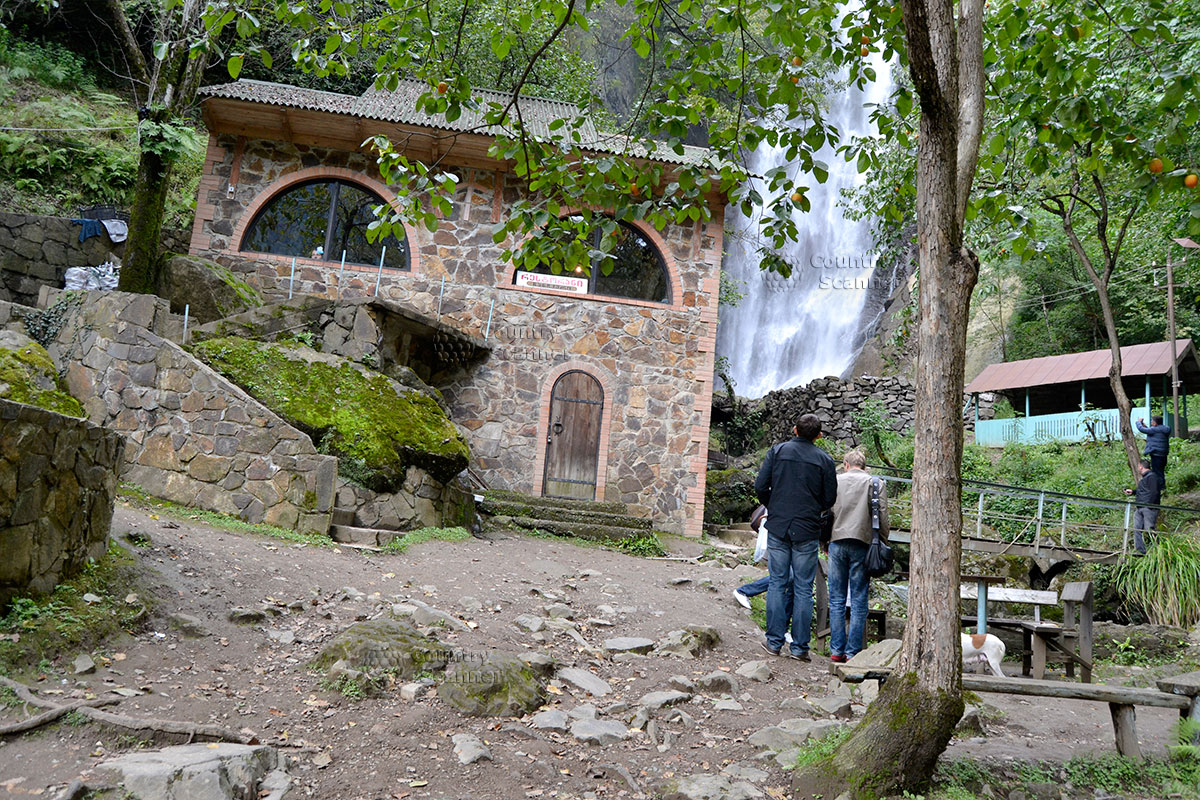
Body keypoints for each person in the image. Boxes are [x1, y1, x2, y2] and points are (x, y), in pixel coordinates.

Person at [754, 413, 837, 660]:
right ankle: (800, 648)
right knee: (803, 588)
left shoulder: (777, 452)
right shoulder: (825, 460)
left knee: (777, 583)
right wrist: (812, 511)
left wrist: (775, 506)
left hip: (779, 526)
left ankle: (774, 643)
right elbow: (829, 499)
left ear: (794, 429)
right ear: (819, 436)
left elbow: (760, 486)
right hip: (807, 529)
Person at [825, 450, 889, 663]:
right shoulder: (876, 483)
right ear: (864, 465)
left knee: (836, 599)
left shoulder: (835, 481)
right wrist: (883, 542)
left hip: (836, 541)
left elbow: (825, 512)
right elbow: (883, 517)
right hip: (863, 543)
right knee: (860, 599)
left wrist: (823, 542)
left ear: (845, 464)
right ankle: (853, 653)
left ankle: (836, 650)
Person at [1124, 458, 1162, 554]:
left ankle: (1159, 549)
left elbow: (1154, 492)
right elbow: (1144, 491)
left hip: (1148, 507)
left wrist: (1149, 505)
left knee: (1149, 528)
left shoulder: (1152, 477)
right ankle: (1140, 550)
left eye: (1138, 466)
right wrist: (1133, 492)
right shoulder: (1145, 478)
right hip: (1140, 507)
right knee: (1136, 528)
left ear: (1141, 466)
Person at [1136, 415, 1170, 485]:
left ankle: (1160, 488)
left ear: (1155, 423)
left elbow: (1141, 429)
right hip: (1163, 454)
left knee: (1157, 472)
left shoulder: (1155, 430)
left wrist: (1138, 422)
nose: (1151, 422)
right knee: (1161, 471)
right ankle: (1161, 487)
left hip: (1156, 454)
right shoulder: (1165, 429)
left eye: (1152, 421)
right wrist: (1144, 425)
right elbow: (1152, 432)